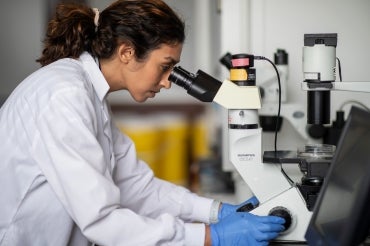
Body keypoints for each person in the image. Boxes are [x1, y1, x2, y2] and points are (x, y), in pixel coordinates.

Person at [0, 0, 286, 245]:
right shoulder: (65, 95)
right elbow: (102, 219)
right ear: (127, 52)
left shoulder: (87, 93)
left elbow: (135, 186)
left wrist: (216, 211)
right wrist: (211, 236)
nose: (166, 82)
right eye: (165, 67)